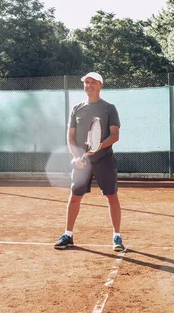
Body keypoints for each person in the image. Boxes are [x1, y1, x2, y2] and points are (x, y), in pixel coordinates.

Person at [54, 72, 124, 252]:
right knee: (75, 197)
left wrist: (99, 146)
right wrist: (77, 156)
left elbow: (115, 135)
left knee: (111, 196)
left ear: (101, 85)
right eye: (86, 82)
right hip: (82, 163)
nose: (89, 85)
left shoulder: (109, 108)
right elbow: (70, 138)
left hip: (104, 160)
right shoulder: (76, 108)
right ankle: (68, 234)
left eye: (93, 82)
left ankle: (117, 236)